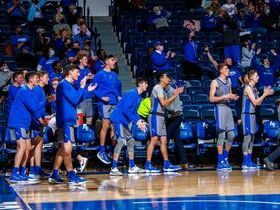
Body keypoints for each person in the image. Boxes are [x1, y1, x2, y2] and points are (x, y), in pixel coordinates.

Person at [49, 65, 97, 185]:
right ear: (69, 72)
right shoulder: (63, 84)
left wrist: (86, 91)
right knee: (67, 149)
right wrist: (82, 87)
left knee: (63, 149)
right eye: (77, 72)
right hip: (65, 121)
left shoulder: (67, 85)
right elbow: (75, 100)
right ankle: (71, 175)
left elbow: (76, 101)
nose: (79, 74)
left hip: (68, 120)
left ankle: (55, 174)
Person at [8, 72, 46, 183]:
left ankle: (21, 172)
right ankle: (15, 173)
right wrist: (46, 100)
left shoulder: (29, 91)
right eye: (36, 78)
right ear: (30, 79)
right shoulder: (24, 90)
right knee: (22, 146)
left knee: (26, 147)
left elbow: (34, 109)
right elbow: (34, 107)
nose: (38, 80)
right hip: (18, 121)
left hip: (25, 122)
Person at [145, 72, 183, 173]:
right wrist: (175, 95)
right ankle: (148, 164)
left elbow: (166, 106)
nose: (168, 78)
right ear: (161, 79)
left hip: (161, 117)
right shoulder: (157, 87)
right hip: (155, 116)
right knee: (153, 140)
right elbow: (163, 103)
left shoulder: (163, 91)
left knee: (164, 141)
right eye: (166, 77)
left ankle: (167, 164)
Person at [109, 77, 149, 175]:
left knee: (131, 140)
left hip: (124, 121)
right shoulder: (131, 93)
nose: (147, 85)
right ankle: (113, 168)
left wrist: (140, 120)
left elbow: (133, 112)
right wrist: (137, 121)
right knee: (122, 141)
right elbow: (125, 110)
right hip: (118, 119)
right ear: (140, 84)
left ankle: (131, 166)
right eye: (145, 83)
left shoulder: (139, 97)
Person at [91, 55, 122, 165]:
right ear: (107, 62)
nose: (114, 62)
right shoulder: (100, 74)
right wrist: (101, 96)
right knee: (105, 125)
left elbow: (117, 90)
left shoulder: (114, 75)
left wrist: (119, 98)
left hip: (114, 102)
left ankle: (112, 151)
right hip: (104, 103)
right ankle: (102, 150)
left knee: (114, 126)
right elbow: (92, 88)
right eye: (113, 60)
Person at [241, 70, 274, 170]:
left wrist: (264, 94)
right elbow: (255, 102)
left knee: (252, 138)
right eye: (256, 75)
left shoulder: (254, 89)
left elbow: (258, 103)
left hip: (252, 115)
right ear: (251, 77)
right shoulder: (247, 88)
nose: (258, 77)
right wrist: (265, 94)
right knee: (247, 138)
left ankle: (249, 161)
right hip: (246, 115)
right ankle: (245, 162)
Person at [209, 63, 239, 170]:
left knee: (231, 135)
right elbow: (211, 99)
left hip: (228, 107)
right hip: (219, 108)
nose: (228, 70)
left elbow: (229, 95)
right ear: (220, 71)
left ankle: (225, 157)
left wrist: (233, 97)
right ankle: (220, 161)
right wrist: (225, 96)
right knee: (221, 135)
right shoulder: (215, 82)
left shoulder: (229, 81)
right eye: (226, 68)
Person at [29, 71, 49, 179]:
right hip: (36, 121)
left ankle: (37, 168)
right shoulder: (37, 89)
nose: (48, 79)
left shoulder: (41, 90)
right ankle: (31, 169)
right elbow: (34, 106)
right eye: (46, 77)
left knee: (39, 144)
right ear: (40, 78)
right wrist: (39, 119)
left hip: (40, 120)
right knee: (32, 145)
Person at [75, 52, 94, 125]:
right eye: (85, 59)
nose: (87, 61)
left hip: (89, 97)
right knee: (80, 121)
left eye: (87, 59)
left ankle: (88, 135)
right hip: (81, 99)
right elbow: (77, 85)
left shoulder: (88, 70)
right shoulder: (76, 71)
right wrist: (86, 78)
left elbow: (92, 82)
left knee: (89, 120)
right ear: (80, 60)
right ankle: (80, 135)